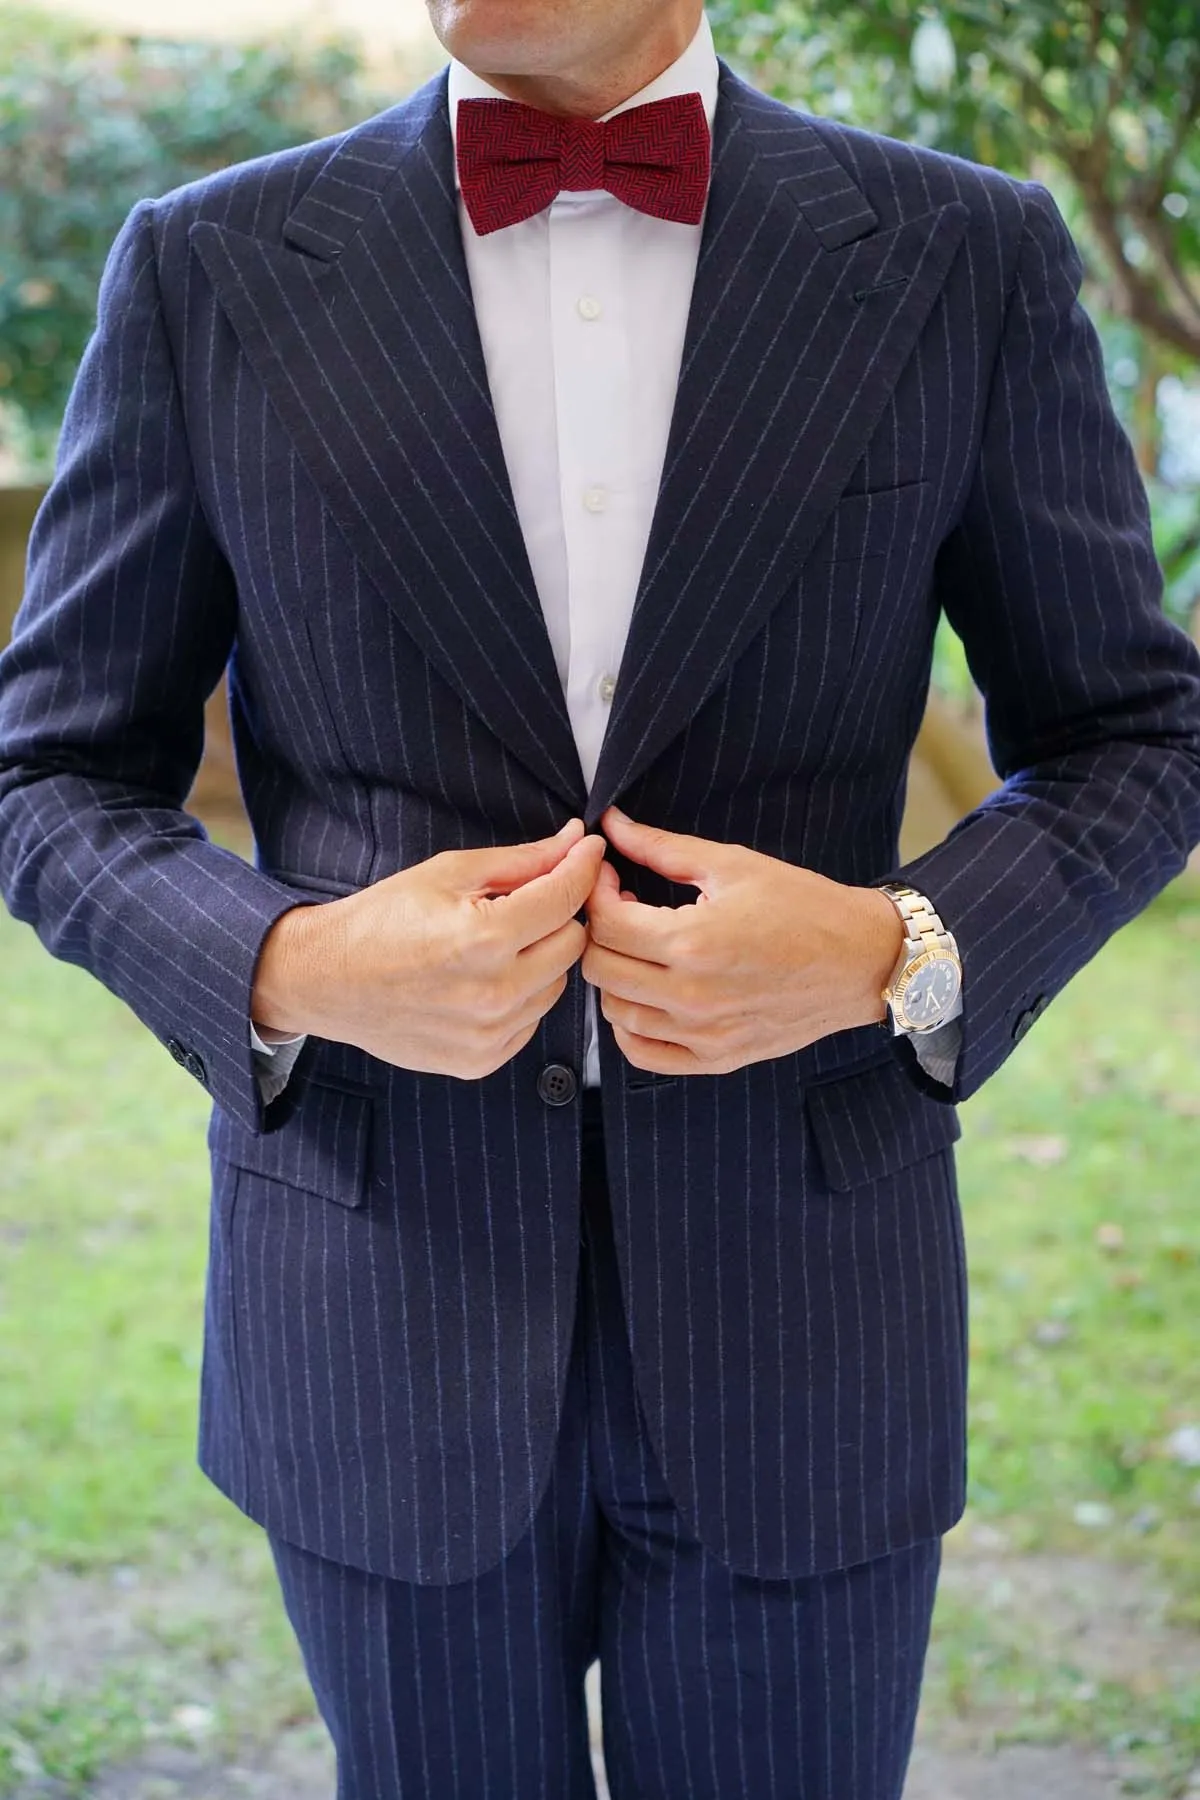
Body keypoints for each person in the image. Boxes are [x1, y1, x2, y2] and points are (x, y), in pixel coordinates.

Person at [2, 0, 1199, 1793]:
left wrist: (901, 947)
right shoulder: (209, 266)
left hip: (808, 1314)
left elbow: (1136, 735)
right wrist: (294, 960)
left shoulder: (962, 251)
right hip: (376, 1311)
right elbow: (51, 778)